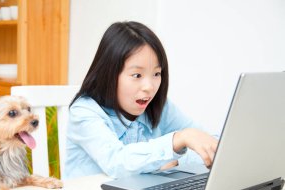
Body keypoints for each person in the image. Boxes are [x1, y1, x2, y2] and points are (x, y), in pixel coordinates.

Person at [63, 21, 218, 179]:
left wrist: (176, 161)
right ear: (109, 74)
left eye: (156, 74)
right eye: (137, 75)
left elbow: (210, 144)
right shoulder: (84, 111)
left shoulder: (159, 106)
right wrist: (178, 141)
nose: (149, 87)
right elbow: (118, 163)